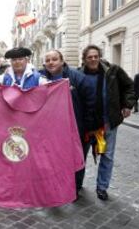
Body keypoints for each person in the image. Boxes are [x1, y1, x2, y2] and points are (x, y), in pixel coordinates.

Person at [80, 44, 135, 201]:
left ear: (100, 56)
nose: (93, 59)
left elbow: (129, 86)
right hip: (86, 124)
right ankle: (76, 185)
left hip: (108, 123)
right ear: (84, 59)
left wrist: (127, 104)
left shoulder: (113, 71)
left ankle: (102, 187)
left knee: (107, 156)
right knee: (80, 156)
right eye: (89, 57)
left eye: (96, 56)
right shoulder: (78, 74)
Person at [40, 50, 91, 198]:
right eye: (48, 60)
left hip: (76, 127)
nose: (51, 62)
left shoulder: (78, 78)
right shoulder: (40, 77)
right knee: (52, 158)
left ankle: (74, 188)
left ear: (62, 61)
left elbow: (89, 103)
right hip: (51, 129)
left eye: (54, 59)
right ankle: (53, 187)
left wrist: (88, 128)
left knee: (76, 158)